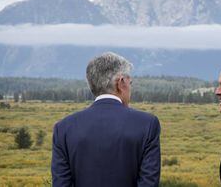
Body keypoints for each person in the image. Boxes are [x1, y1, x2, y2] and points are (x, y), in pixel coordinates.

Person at [51, 52, 161, 187]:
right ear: (121, 83)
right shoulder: (147, 124)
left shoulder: (63, 129)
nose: (130, 89)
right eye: (130, 83)